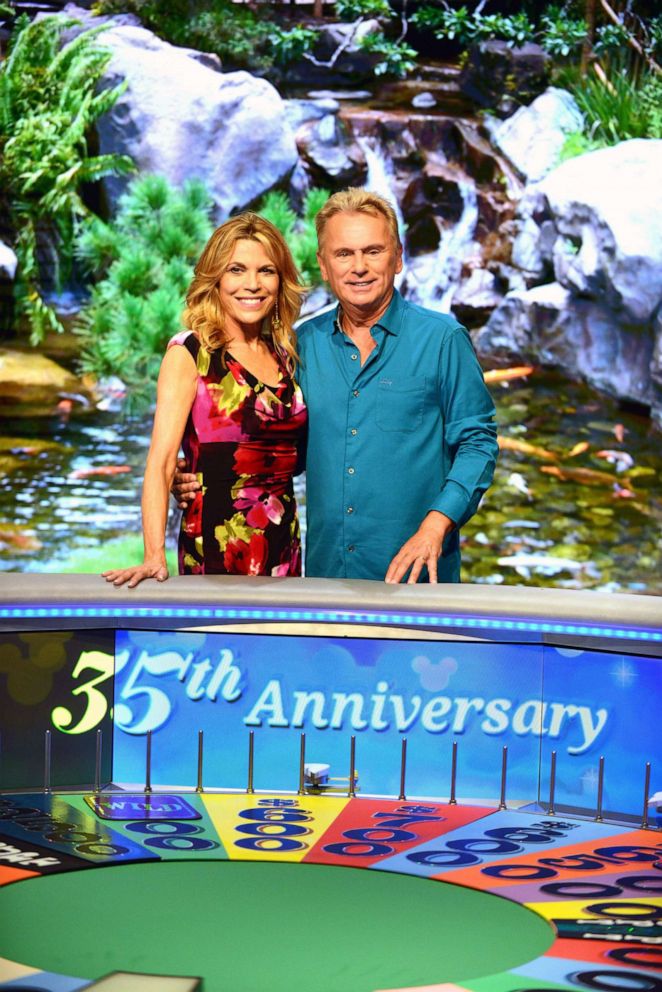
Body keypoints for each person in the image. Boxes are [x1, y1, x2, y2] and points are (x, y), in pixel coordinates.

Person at [174, 188, 498, 584]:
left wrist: (436, 525)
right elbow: (276, 443)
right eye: (344, 254)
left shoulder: (443, 340)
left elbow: (478, 443)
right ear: (324, 266)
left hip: (418, 581)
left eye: (373, 251)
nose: (358, 267)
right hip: (326, 583)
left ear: (397, 257)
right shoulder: (300, 345)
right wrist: (203, 476)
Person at [102, 213, 307, 588]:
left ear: (281, 282)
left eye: (266, 271)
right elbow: (162, 461)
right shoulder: (191, 352)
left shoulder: (285, 356)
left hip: (283, 544)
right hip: (215, 541)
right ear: (215, 279)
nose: (253, 284)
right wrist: (152, 555)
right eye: (237, 270)